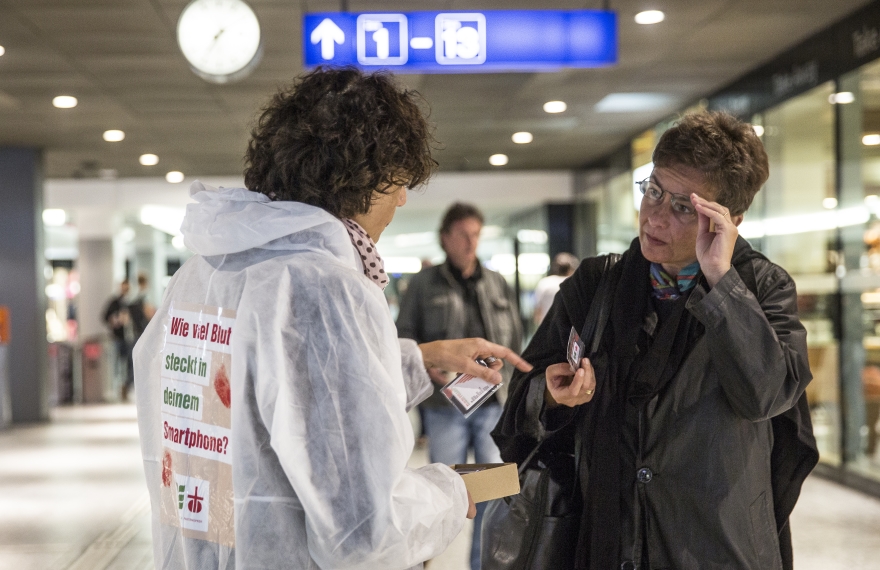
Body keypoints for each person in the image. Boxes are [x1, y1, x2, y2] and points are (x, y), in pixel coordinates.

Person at [133, 67, 530, 570]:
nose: (403, 198)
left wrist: (414, 359)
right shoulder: (324, 288)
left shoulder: (203, 272)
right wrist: (447, 490)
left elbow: (269, 396)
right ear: (362, 178)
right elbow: (363, 535)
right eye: (399, 181)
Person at [493, 111, 818, 570]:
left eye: (685, 207)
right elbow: (519, 407)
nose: (656, 216)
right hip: (607, 540)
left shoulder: (762, 289)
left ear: (731, 219)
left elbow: (766, 396)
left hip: (716, 547)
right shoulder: (595, 285)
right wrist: (551, 393)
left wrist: (721, 282)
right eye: (654, 191)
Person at [396, 202, 522, 570]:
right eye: (463, 234)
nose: (471, 242)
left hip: (493, 404)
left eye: (476, 234)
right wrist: (429, 364)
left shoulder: (496, 281)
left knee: (494, 492)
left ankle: (484, 564)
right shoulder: (422, 284)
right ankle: (427, 562)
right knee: (443, 493)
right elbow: (405, 337)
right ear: (445, 238)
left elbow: (513, 335)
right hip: (444, 406)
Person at [124, 273, 154, 400]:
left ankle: (128, 385)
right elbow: (149, 314)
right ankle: (135, 385)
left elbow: (125, 318)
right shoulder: (144, 297)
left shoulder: (132, 298)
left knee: (134, 361)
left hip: (135, 333)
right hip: (143, 333)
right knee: (143, 362)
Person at [532, 252, 579, 326]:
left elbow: (538, 311)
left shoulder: (545, 283)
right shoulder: (574, 283)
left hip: (547, 329)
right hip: (569, 331)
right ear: (570, 269)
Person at [102, 279, 131, 396]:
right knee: (117, 363)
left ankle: (126, 386)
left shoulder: (130, 302)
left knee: (129, 363)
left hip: (129, 337)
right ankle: (116, 387)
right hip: (118, 337)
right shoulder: (114, 302)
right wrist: (116, 320)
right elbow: (105, 317)